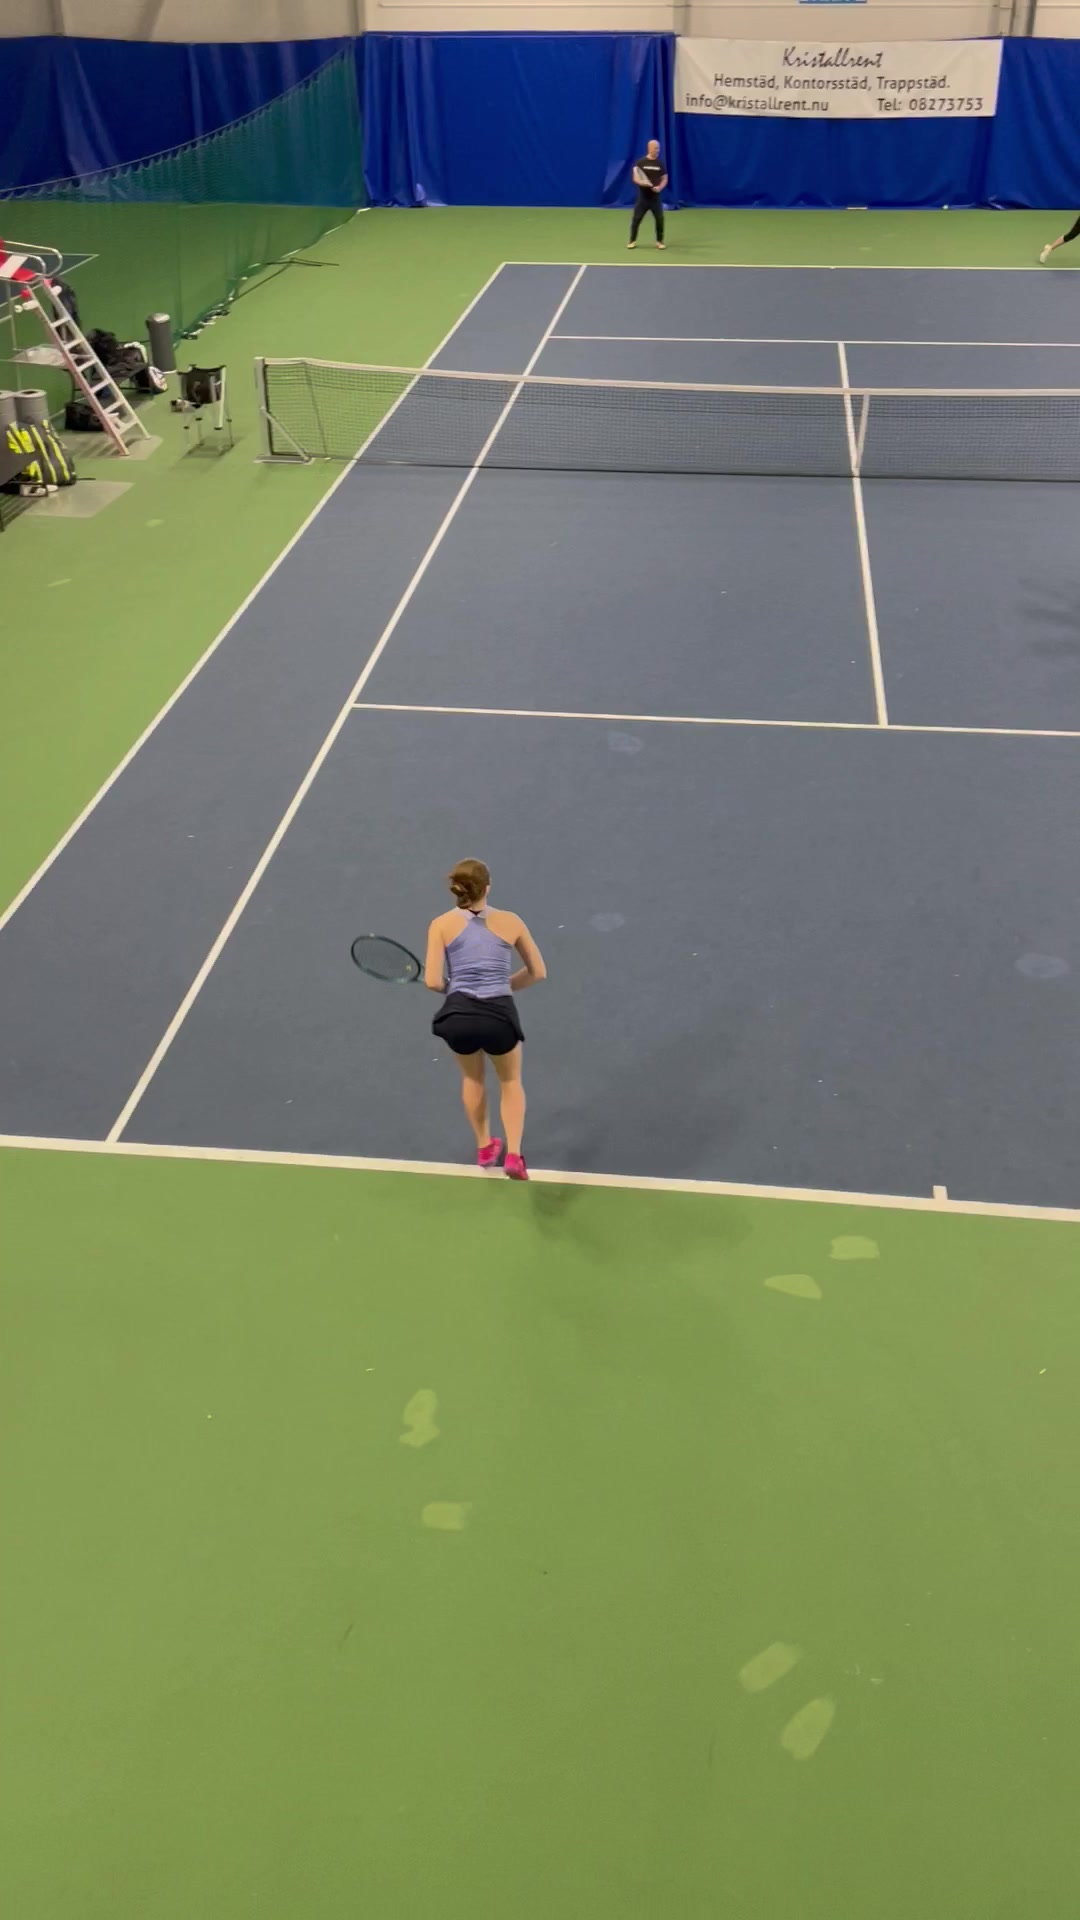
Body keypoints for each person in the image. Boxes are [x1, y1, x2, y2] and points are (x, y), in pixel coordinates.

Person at [425, 858, 546, 1181]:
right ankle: (514, 1155)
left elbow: (433, 981)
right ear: (487, 887)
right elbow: (538, 972)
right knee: (510, 1081)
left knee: (472, 1079)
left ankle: (484, 1147)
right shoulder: (511, 921)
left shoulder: (440, 925)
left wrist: (456, 990)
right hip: (498, 1016)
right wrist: (505, 986)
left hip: (458, 1016)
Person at [628, 141, 668, 251]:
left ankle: (659, 241)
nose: (658, 150)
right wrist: (642, 183)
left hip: (655, 198)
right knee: (636, 219)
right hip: (643, 198)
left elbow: (665, 179)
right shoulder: (640, 162)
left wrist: (659, 187)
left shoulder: (660, 164)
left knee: (659, 219)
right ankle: (632, 241)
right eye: (656, 148)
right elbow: (635, 178)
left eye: (658, 148)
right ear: (649, 148)